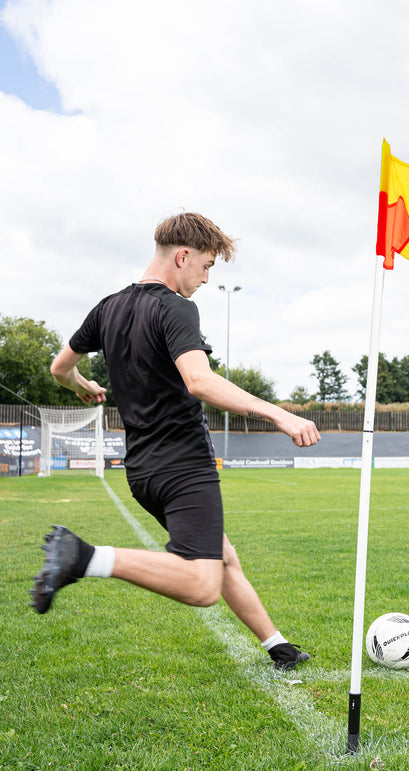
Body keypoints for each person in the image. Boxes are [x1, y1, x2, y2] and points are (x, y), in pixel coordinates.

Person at [31, 212, 321, 670]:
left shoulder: (108, 307)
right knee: (202, 584)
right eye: (206, 266)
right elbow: (199, 381)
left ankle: (277, 647)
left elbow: (59, 368)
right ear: (182, 256)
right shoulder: (176, 306)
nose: (206, 278)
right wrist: (277, 413)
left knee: (223, 556)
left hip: (142, 471)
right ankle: (87, 557)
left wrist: (82, 386)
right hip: (183, 464)